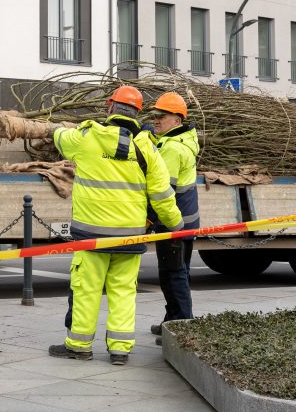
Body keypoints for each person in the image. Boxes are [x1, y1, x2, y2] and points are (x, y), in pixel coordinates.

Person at [47, 85, 183, 366]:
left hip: (91, 234)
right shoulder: (147, 147)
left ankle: (79, 346)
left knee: (86, 290)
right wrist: (176, 225)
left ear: (110, 107)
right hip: (130, 237)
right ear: (138, 113)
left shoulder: (87, 137)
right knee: (123, 291)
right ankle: (120, 349)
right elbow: (162, 196)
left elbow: (60, 139)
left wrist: (60, 128)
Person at [146, 91, 200, 342]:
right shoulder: (181, 141)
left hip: (174, 222)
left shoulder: (171, 149)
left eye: (161, 116)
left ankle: (180, 327)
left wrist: (149, 218)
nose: (156, 120)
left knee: (174, 274)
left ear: (177, 120)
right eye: (154, 115)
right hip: (184, 220)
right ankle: (172, 320)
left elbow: (162, 191)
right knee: (175, 271)